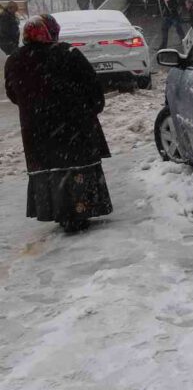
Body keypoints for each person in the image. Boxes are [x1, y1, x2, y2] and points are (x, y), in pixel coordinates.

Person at [4, 15, 112, 233]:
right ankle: (80, 209)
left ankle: (58, 210)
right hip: (74, 127)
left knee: (51, 168)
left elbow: (13, 94)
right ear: (51, 32)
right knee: (75, 166)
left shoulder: (14, 60)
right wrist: (90, 108)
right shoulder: (67, 53)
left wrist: (35, 109)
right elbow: (92, 87)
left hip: (37, 131)